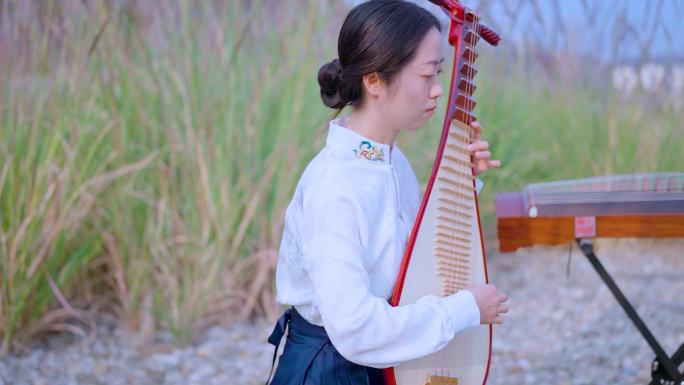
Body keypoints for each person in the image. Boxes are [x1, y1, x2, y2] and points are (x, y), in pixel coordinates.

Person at [266, 1, 508, 384]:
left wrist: (462, 186)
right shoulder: (333, 186)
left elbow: (412, 265)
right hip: (333, 369)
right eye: (427, 74)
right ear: (375, 80)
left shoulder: (392, 163)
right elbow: (356, 329)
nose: (437, 90)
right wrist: (463, 310)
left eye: (439, 73)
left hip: (388, 360)